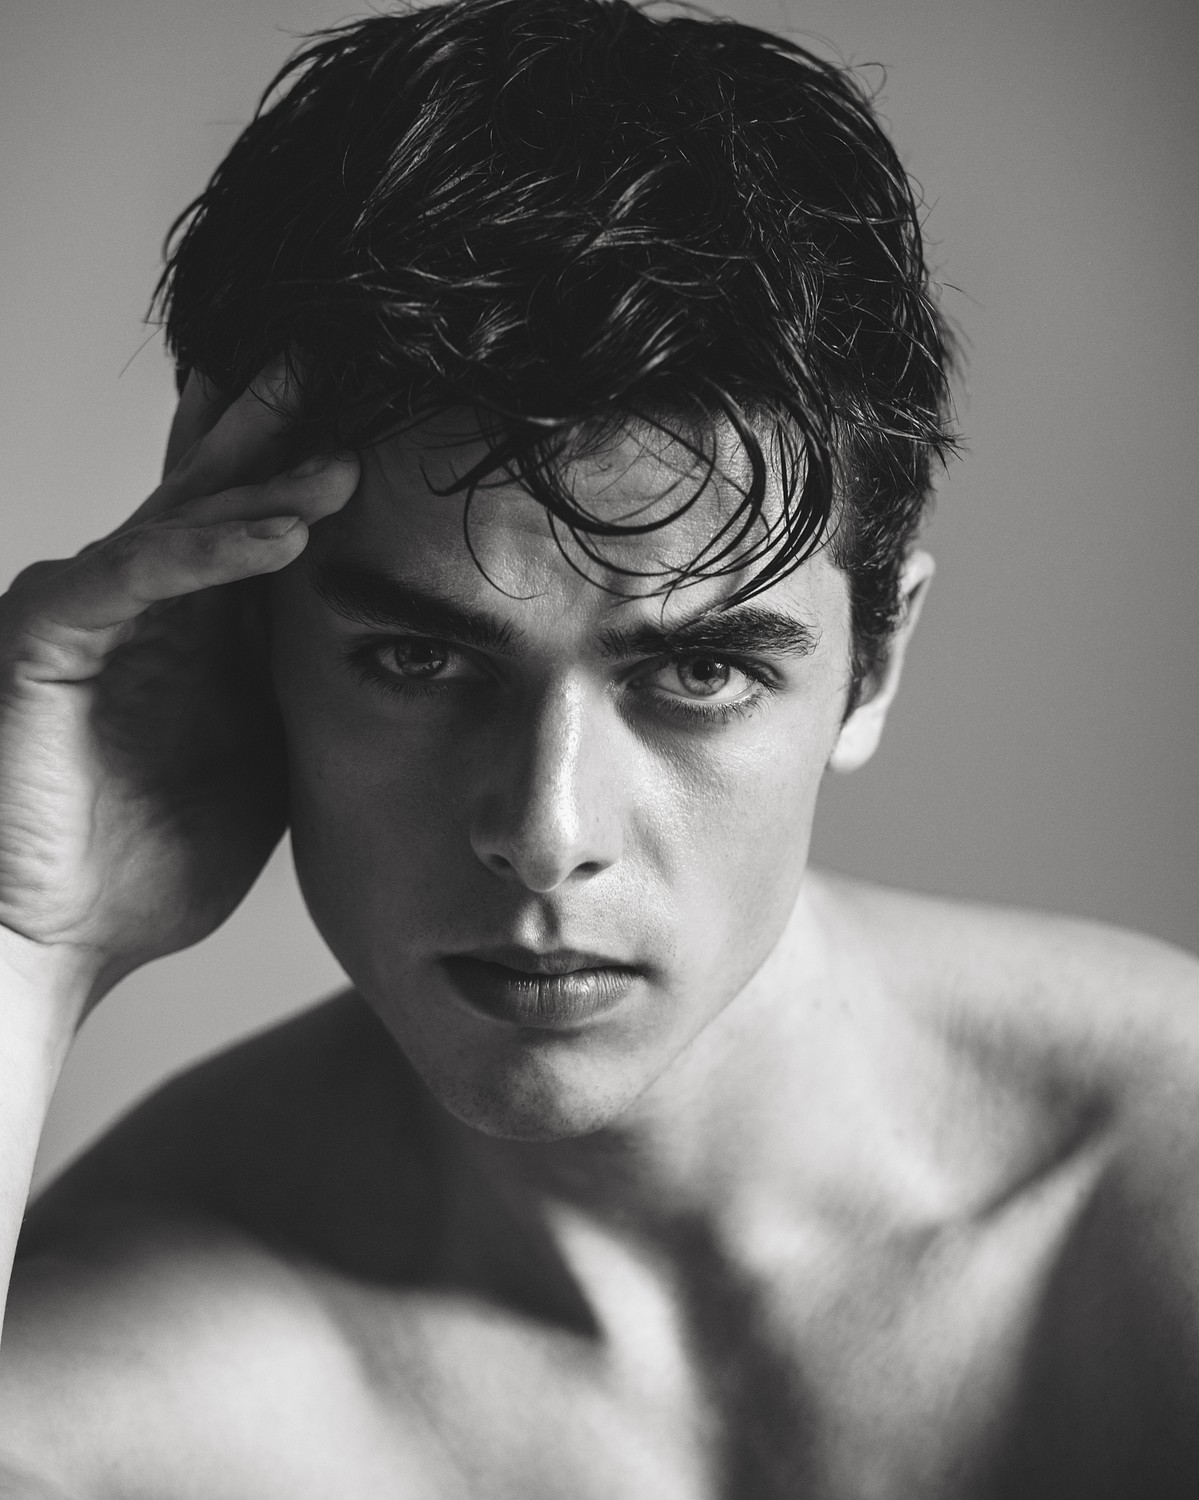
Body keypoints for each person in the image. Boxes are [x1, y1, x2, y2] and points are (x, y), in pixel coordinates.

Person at [0, 0, 1196, 1493]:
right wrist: (27, 942)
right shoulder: (140, 1354)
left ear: (873, 660)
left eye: (698, 671)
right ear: (247, 638)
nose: (546, 832)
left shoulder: (1153, 1189)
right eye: (419, 659)